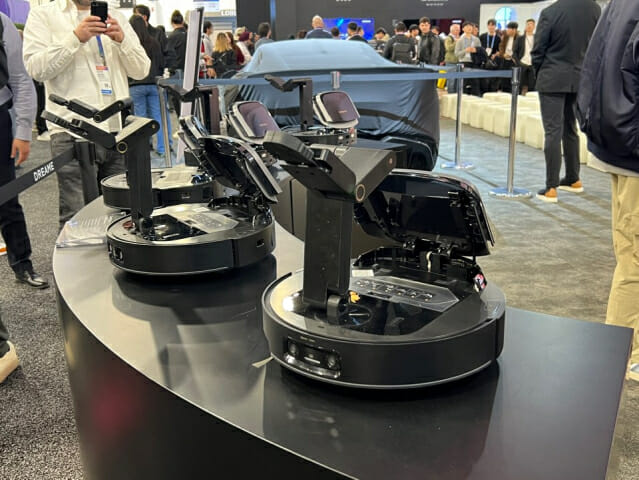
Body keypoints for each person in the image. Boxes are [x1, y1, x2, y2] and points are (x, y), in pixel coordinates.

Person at [23, 0, 151, 228]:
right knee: (78, 218)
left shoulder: (116, 17)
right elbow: (36, 69)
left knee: (121, 217)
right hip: (72, 132)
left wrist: (122, 41)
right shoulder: (44, 15)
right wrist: (76, 38)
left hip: (116, 131)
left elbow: (142, 70)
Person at [576, 0, 638, 381]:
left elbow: (594, 62)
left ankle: (622, 352)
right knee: (635, 260)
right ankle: (627, 356)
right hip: (632, 147)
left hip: (617, 141)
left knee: (628, 251)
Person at [531, 0, 600, 202]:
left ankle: (551, 187)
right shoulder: (594, 9)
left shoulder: (551, 12)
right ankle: (573, 178)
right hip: (580, 77)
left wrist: (540, 72)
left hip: (552, 77)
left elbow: (538, 50)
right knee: (571, 128)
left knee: (553, 131)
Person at [0, 12, 48, 288]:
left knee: (7, 199)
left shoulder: (1, 23)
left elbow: (20, 79)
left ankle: (22, 263)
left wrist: (23, 131)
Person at [128, 15, 168, 155]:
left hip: (135, 85)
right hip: (153, 84)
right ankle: (163, 148)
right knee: (158, 117)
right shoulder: (154, 42)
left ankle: (144, 149)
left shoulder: (132, 45)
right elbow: (161, 63)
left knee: (140, 119)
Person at [454, 21, 481, 96]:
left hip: (474, 62)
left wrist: (475, 50)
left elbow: (480, 51)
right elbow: (456, 54)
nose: (469, 28)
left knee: (475, 82)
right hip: (464, 62)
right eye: (467, 26)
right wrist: (465, 50)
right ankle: (463, 98)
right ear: (463, 29)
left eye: (470, 26)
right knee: (463, 83)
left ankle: (476, 98)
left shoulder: (476, 40)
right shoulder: (460, 40)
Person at [514, 19, 536, 95]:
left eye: (531, 24)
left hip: (533, 64)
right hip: (522, 63)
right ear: (525, 26)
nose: (529, 26)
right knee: (520, 85)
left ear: (534, 26)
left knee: (532, 86)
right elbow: (515, 52)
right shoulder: (520, 38)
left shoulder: (537, 38)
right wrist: (518, 63)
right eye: (528, 24)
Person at [497, 21, 519, 92]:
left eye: (509, 29)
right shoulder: (505, 37)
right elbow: (501, 46)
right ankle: (504, 92)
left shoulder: (519, 38)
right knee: (504, 79)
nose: (507, 30)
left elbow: (519, 50)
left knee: (512, 79)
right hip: (505, 60)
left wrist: (513, 56)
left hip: (513, 61)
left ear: (514, 30)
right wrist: (503, 54)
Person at [444, 23, 461, 93]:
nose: (458, 31)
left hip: (459, 61)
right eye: (456, 29)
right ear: (451, 30)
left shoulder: (460, 38)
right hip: (451, 61)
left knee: (458, 80)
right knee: (451, 79)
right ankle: (450, 94)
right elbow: (448, 48)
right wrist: (456, 42)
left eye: (458, 29)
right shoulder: (448, 38)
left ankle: (457, 95)